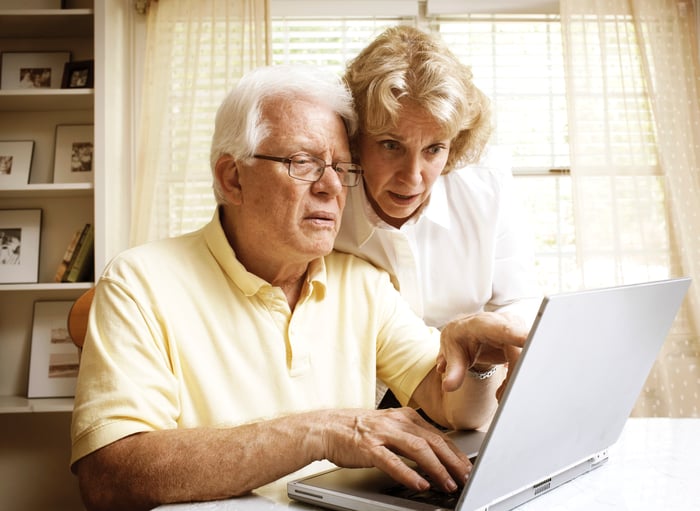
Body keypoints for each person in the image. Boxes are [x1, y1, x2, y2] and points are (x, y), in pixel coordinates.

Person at [70, 64, 528, 511]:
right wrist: (318, 431)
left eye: (343, 168)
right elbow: (109, 476)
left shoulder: (363, 283)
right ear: (233, 178)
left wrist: (476, 362)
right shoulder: (138, 282)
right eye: (303, 163)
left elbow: (453, 405)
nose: (332, 187)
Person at [336, 26, 542, 407]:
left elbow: (521, 302)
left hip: (468, 397)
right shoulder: (326, 198)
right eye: (391, 145)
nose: (412, 177)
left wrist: (500, 332)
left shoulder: (487, 187)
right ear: (355, 138)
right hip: (353, 408)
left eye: (434, 149)